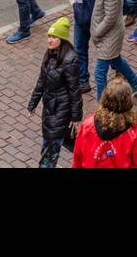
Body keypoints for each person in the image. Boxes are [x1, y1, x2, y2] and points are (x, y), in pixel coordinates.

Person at [29, 17, 83, 167]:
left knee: (49, 151)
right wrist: (33, 102)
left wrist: (76, 117)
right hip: (50, 109)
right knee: (66, 144)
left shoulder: (70, 59)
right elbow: (41, 80)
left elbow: (75, 91)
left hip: (60, 113)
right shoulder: (50, 54)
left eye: (53, 37)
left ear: (62, 39)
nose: (49, 40)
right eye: (49, 36)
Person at [54, 0, 100, 94]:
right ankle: (83, 82)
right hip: (80, 16)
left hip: (97, 20)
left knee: (105, 51)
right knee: (79, 49)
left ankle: (118, 70)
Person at [72, 77, 137, 168]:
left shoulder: (87, 125)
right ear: (128, 102)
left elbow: (77, 157)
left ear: (105, 98)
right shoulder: (135, 131)